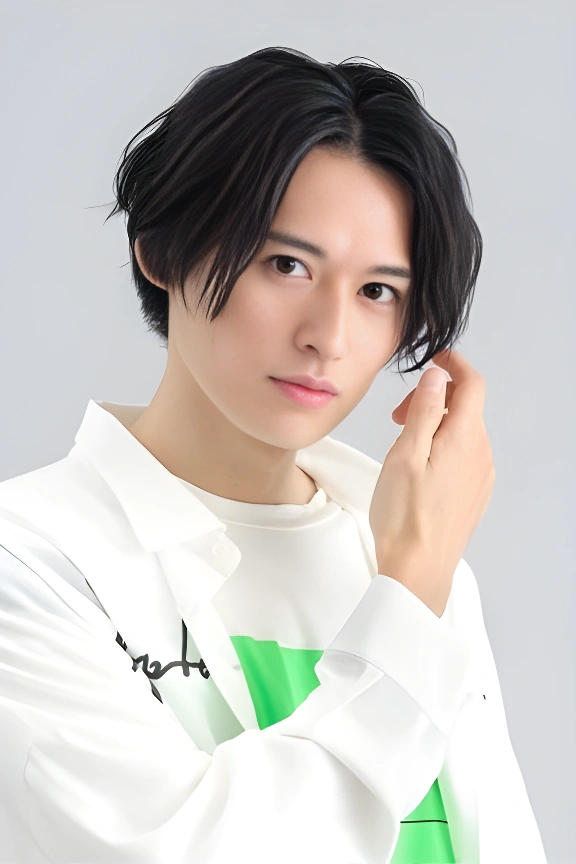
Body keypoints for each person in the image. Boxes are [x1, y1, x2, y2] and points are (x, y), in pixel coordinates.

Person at [0, 47, 547, 863]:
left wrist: (418, 578)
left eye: (377, 291)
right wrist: (410, 596)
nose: (329, 336)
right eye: (286, 265)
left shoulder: (414, 555)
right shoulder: (31, 561)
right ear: (162, 249)